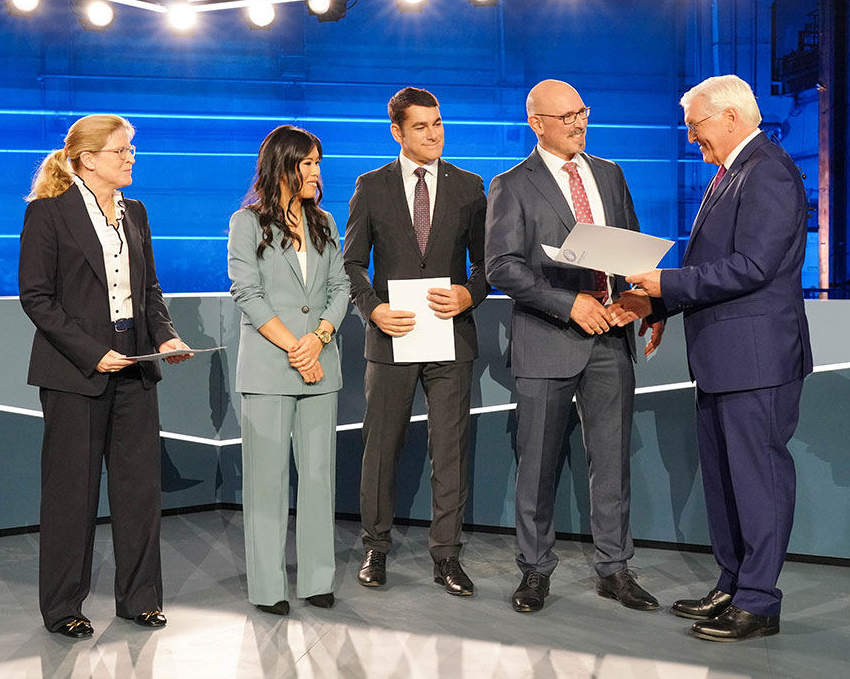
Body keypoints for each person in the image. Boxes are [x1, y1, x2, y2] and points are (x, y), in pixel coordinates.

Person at [628, 74, 813, 642]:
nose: (691, 138)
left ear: (731, 117)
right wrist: (662, 307)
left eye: (696, 126)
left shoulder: (769, 171)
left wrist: (664, 283)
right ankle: (732, 583)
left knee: (758, 482)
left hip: (757, 361)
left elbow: (752, 268)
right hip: (724, 359)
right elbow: (723, 270)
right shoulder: (733, 173)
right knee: (727, 483)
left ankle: (759, 601)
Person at [484, 79, 661, 614]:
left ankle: (615, 568)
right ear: (536, 122)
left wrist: (643, 300)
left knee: (611, 463)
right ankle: (534, 571)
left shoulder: (610, 173)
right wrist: (568, 304)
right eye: (566, 117)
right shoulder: (511, 185)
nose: (579, 123)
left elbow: (631, 249)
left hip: (611, 337)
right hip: (548, 339)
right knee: (537, 465)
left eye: (582, 112)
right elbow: (501, 266)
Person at [19, 114, 192, 639]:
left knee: (139, 491)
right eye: (121, 150)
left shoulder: (135, 212)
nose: (130, 158)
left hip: (136, 367)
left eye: (131, 150)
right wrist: (93, 353)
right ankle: (63, 606)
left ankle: (140, 599)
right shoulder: (48, 214)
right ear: (88, 159)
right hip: (76, 371)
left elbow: (151, 292)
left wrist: (164, 336)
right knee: (71, 493)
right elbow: (38, 299)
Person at [343, 87, 487, 595]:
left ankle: (447, 556)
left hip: (451, 339)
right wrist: (373, 309)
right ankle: (375, 549)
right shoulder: (371, 186)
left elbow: (486, 265)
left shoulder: (470, 186)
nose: (433, 134)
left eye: (438, 123)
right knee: (381, 449)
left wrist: (469, 295)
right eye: (421, 126)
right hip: (392, 337)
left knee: (449, 451)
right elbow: (352, 262)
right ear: (398, 132)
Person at [227, 126, 350, 616]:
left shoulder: (324, 221)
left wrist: (317, 339)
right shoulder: (247, 222)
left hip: (320, 365)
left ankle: (318, 579)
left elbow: (340, 287)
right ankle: (268, 587)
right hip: (269, 368)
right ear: (283, 166)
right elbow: (247, 293)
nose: (317, 172)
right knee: (267, 483)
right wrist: (297, 349)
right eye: (308, 164)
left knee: (319, 478)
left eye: (319, 163)